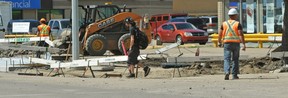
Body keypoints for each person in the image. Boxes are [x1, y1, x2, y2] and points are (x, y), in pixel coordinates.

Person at [218, 8, 246, 80]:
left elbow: (220, 34)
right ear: (235, 15)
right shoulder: (237, 24)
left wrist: (219, 42)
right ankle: (234, 75)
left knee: (227, 59)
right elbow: (240, 34)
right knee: (235, 59)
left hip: (227, 43)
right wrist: (243, 44)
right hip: (236, 43)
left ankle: (227, 72)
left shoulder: (224, 24)